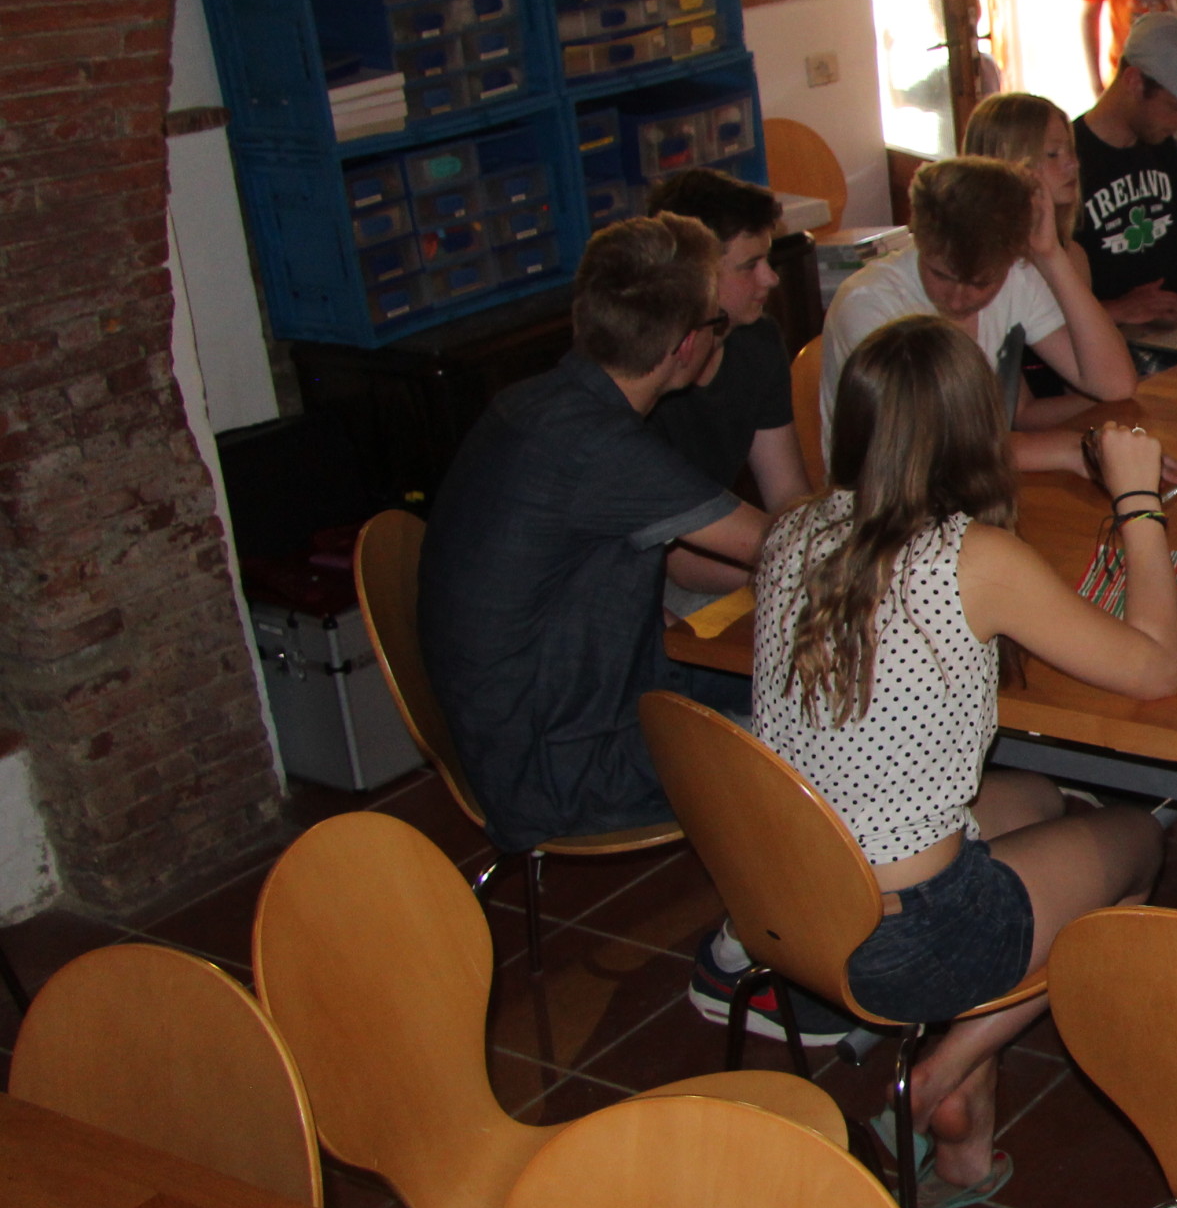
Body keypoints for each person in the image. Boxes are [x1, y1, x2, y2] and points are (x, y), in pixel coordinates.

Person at [755, 315, 1177, 1208]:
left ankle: (963, 1143)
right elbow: (1156, 667)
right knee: (1137, 840)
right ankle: (940, 1070)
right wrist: (1138, 499)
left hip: (797, 895)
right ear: (975, 434)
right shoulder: (972, 559)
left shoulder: (794, 529)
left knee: (1037, 798)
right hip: (908, 939)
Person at [419, 215, 766, 854]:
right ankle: (793, 906)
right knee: (830, 732)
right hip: (562, 771)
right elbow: (782, 544)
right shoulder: (601, 449)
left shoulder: (533, 404)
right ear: (686, 344)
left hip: (524, 722)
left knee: (789, 681)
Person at [817, 155, 1135, 476]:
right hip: (889, 492)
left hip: (973, 483)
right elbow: (926, 450)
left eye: (981, 283)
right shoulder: (869, 302)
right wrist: (1067, 451)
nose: (957, 298)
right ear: (919, 241)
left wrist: (1050, 256)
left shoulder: (1017, 276)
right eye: (941, 275)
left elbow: (1114, 383)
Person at [643, 170, 807, 624]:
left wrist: (808, 560)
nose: (770, 278)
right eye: (749, 266)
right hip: (653, 577)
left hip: (728, 556)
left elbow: (788, 495)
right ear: (695, 275)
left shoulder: (757, 340)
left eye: (768, 260)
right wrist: (790, 577)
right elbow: (677, 562)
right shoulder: (650, 371)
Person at [960, 90, 1137, 417]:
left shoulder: (1071, 255)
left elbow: (1094, 382)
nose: (1073, 163)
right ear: (1009, 163)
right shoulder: (982, 273)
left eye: (1071, 151)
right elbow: (1018, 414)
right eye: (1053, 154)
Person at [1075, 12, 1177, 326]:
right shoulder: (1067, 162)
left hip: (1172, 329)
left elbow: (1174, 244)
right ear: (1134, 82)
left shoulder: (1164, 150)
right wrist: (1117, 310)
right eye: (1175, 107)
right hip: (1109, 338)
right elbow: (1043, 309)